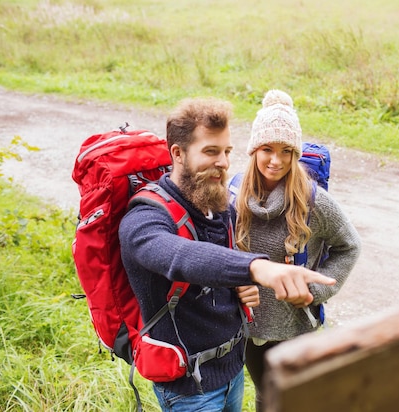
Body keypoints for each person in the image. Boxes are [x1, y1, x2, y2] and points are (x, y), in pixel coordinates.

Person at [118, 97, 336, 412]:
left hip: (232, 373)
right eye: (210, 151)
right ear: (177, 154)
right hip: (189, 389)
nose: (223, 162)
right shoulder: (144, 218)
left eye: (227, 152)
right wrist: (258, 269)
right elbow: (180, 257)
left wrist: (236, 286)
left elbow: (214, 269)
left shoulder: (212, 203)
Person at [232, 90, 362, 411]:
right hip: (247, 326)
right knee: (265, 394)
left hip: (296, 326)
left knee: (289, 401)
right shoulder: (232, 194)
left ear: (295, 153)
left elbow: (349, 246)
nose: (276, 161)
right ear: (254, 150)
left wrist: (315, 289)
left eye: (286, 151)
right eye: (267, 149)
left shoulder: (313, 201)